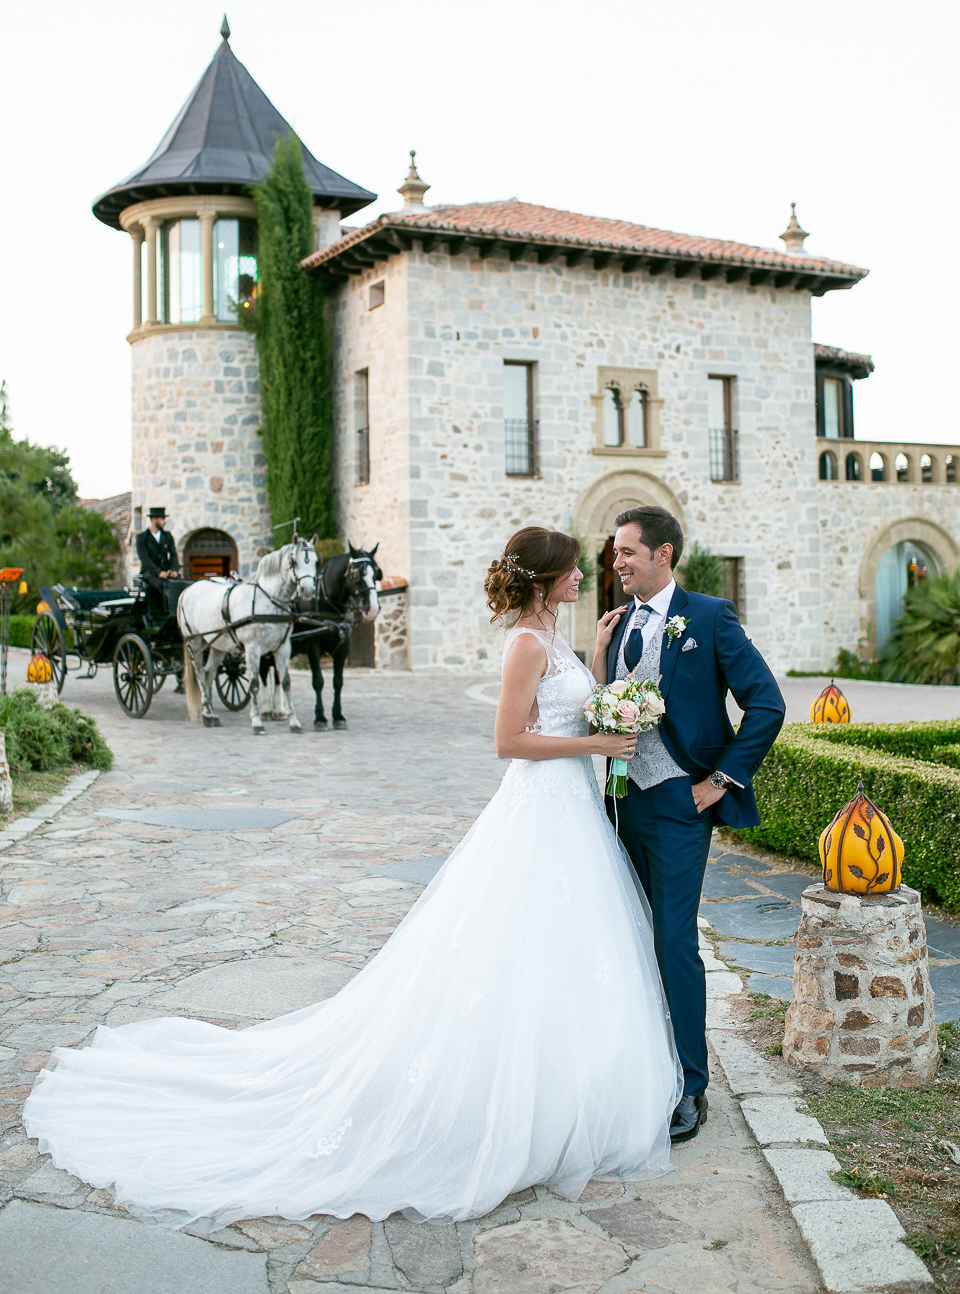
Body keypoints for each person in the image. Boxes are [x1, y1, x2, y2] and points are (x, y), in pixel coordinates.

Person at [23, 528, 681, 1230]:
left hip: (571, 810)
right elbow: (508, 742)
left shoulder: (557, 636)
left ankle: (566, 1088)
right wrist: (597, 742)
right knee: (515, 944)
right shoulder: (524, 644)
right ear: (547, 579)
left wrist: (604, 664)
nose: (586, 577)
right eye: (575, 570)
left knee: (566, 952)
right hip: (540, 808)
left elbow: (570, 697)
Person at [597, 505, 785, 1145]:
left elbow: (768, 702)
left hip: (681, 802)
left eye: (626, 552)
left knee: (674, 940)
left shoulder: (707, 616)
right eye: (615, 552)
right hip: (622, 804)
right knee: (628, 935)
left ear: (663, 555)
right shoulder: (618, 627)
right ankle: (641, 1067)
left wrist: (720, 781)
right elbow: (610, 710)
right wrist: (600, 656)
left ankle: (689, 1084)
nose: (616, 562)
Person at [135, 507, 181, 622]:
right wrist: (158, 572)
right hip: (149, 572)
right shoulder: (142, 538)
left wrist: (174, 569)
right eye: (162, 519)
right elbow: (145, 559)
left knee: (179, 583)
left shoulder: (167, 536)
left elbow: (173, 555)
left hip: (165, 571)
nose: (164, 521)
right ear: (154, 520)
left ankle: (179, 613)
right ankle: (159, 616)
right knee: (162, 585)